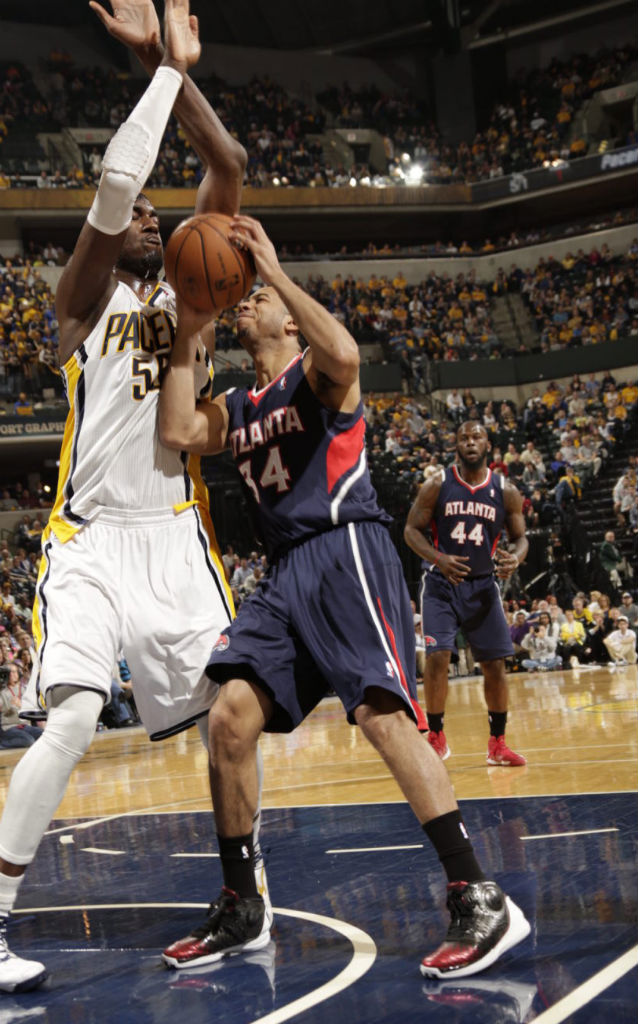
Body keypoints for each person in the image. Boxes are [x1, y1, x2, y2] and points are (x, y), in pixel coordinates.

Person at [157, 215, 530, 978]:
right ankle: (241, 902)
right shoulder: (239, 402)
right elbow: (177, 427)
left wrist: (275, 268)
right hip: (286, 570)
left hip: (345, 547)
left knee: (384, 718)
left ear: (290, 316)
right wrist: (188, 327)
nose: (246, 303)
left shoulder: (317, 375)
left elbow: (348, 351)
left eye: (255, 297)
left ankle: (478, 894)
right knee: (227, 719)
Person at [0, 0, 268, 995]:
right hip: (87, 541)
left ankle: (247, 893)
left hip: (173, 535)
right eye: (144, 220)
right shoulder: (81, 304)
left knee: (228, 713)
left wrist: (180, 70)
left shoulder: (185, 300)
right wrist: (155, 69)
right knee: (69, 718)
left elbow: (228, 163)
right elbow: (119, 179)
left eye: (165, 216)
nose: (155, 217)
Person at [404, 422, 528, 767]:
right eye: (463, 438)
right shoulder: (437, 485)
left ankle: (498, 743)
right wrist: (438, 558)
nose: (470, 443)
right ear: (455, 445)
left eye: (476, 437)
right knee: (438, 656)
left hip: (483, 585)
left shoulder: (506, 491)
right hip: (442, 585)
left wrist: (514, 559)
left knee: (495, 665)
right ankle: (437, 736)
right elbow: (410, 531)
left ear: (488, 443)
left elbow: (521, 538)